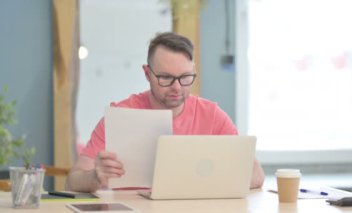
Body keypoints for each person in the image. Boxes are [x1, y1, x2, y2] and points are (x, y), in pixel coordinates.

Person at [65, 32, 265, 192]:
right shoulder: (121, 115)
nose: (177, 87)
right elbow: (72, 181)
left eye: (185, 77)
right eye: (166, 78)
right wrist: (95, 177)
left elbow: (256, 174)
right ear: (147, 73)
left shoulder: (211, 114)